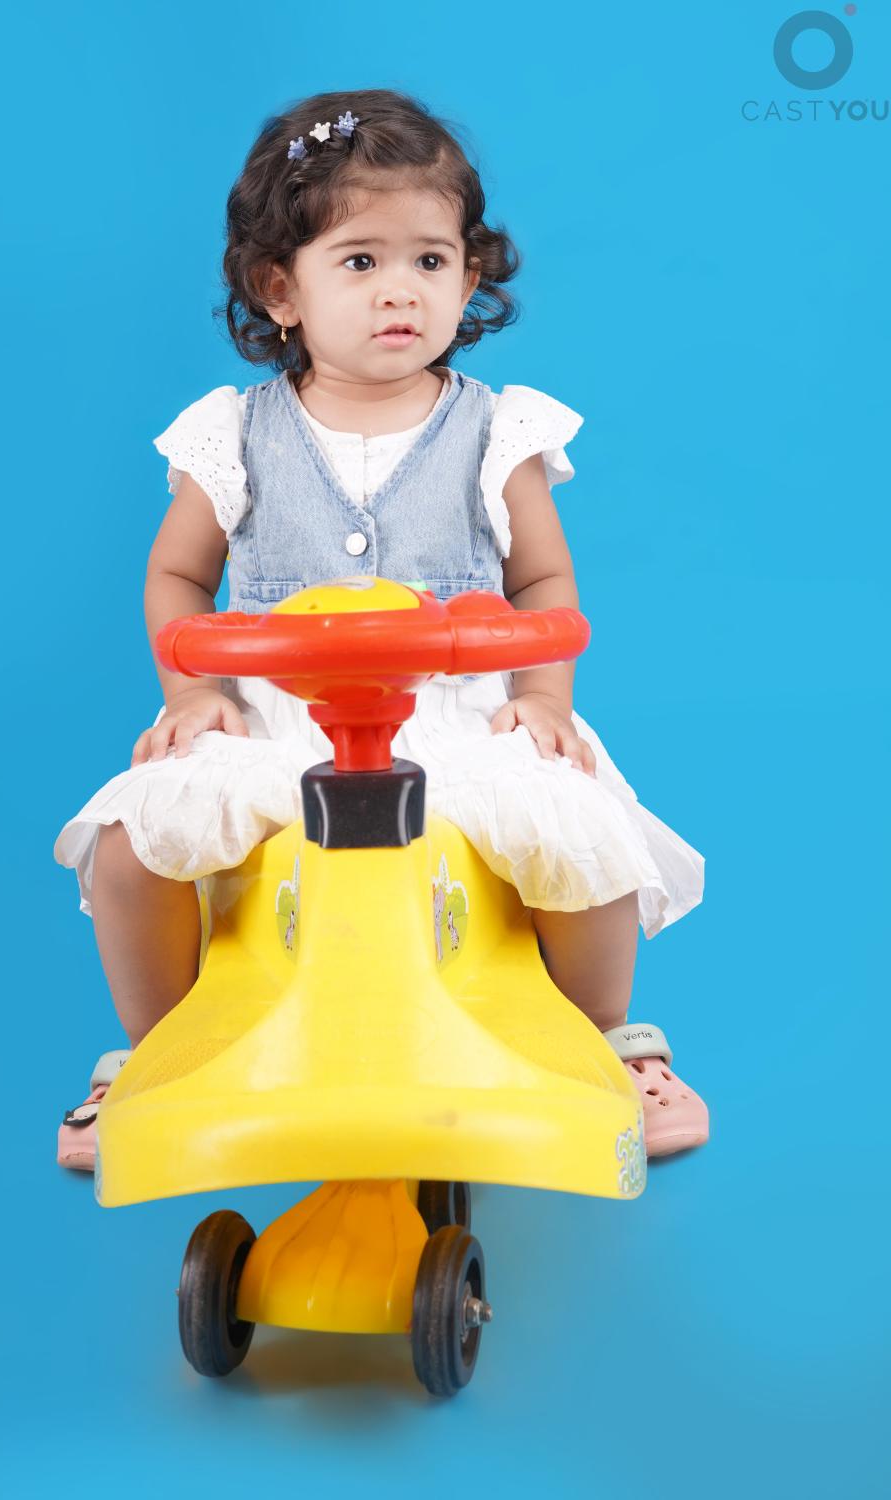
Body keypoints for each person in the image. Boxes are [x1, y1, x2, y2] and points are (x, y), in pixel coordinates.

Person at [54, 88, 709, 1171]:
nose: (400, 290)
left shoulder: (498, 430)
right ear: (282, 289)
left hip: (455, 723)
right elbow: (177, 574)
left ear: (469, 275)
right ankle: (162, 1053)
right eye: (360, 261)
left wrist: (542, 703)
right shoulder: (234, 434)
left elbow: (543, 580)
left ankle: (603, 1042)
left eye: (430, 260)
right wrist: (194, 695)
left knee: (576, 823)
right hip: (279, 729)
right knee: (129, 848)